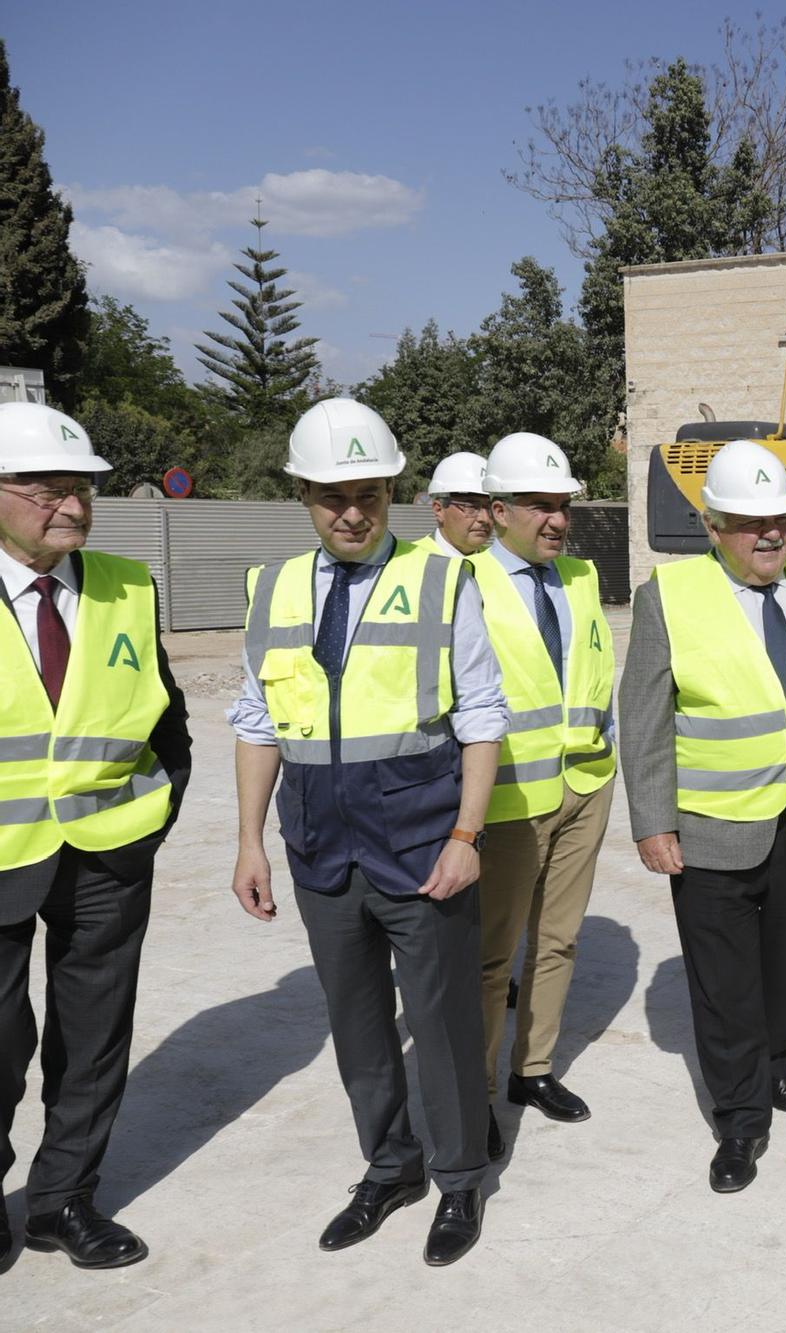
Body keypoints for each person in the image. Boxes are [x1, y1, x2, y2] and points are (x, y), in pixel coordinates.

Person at [227, 398, 506, 1267]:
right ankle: (390, 1166)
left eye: (368, 494)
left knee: (444, 1019)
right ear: (304, 497)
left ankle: (459, 1176)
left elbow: (484, 717)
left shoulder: (441, 579)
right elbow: (256, 718)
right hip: (320, 850)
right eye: (330, 496)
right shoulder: (270, 587)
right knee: (357, 1023)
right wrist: (248, 841)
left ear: (391, 493)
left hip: (423, 846)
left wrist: (467, 834)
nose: (350, 512)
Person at [621, 438, 786, 1194]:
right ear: (712, 524)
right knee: (725, 985)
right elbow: (643, 716)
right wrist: (652, 819)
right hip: (711, 828)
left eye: (780, 519)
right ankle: (740, 1117)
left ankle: (772, 1062)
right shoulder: (671, 595)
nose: (769, 534)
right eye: (749, 521)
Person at [0, 403, 190, 1269]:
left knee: (94, 1039)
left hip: (108, 855)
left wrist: (154, 816)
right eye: (46, 486)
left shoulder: (127, 585)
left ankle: (62, 1201)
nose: (71, 503)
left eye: (82, 487)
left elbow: (168, 723)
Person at [468, 434, 616, 1146]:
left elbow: (598, 673)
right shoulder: (466, 584)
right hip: (506, 801)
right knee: (493, 955)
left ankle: (532, 1069)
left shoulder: (581, 578)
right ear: (498, 510)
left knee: (558, 940)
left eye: (563, 506)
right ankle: (475, 1094)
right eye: (539, 505)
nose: (557, 519)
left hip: (585, 784)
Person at [420, 451, 492, 557]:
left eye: (490, 508)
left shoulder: (500, 565)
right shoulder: (408, 564)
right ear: (438, 509)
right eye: (471, 506)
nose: (485, 518)